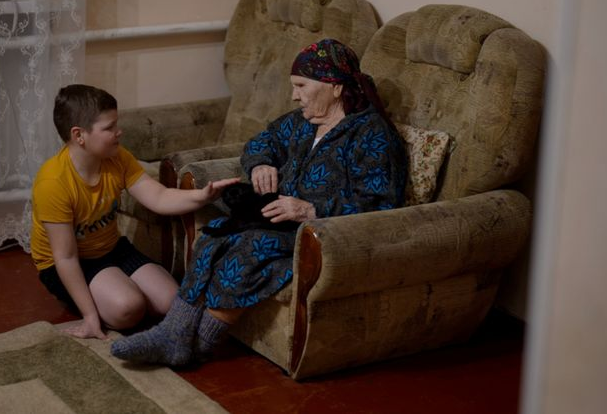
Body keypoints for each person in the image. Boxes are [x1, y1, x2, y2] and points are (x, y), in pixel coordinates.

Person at [111, 38, 408, 365]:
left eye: (301, 86)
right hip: (279, 220)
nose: (294, 95)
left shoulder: (372, 135)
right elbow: (259, 143)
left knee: (249, 246)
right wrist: (261, 163)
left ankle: (199, 344)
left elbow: (381, 204)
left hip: (320, 233)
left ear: (335, 87)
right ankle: (175, 333)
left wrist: (310, 209)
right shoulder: (301, 122)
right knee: (215, 234)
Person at [31, 84, 238, 340]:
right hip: (68, 264)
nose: (119, 132)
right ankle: (104, 298)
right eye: (109, 127)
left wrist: (201, 196)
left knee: (171, 301)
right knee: (128, 308)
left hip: (110, 248)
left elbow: (158, 197)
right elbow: (65, 258)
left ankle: (115, 288)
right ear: (79, 135)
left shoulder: (117, 157)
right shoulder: (53, 182)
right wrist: (90, 317)